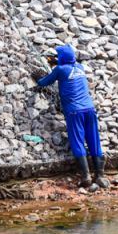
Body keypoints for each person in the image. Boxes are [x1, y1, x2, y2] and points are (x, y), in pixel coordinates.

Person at [33, 44, 108, 190]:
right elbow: (69, 70)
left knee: (78, 141)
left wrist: (38, 77)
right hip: (90, 109)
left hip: (74, 111)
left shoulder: (60, 69)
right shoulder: (80, 68)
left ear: (61, 58)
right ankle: (100, 176)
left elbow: (45, 82)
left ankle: (86, 177)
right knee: (94, 140)